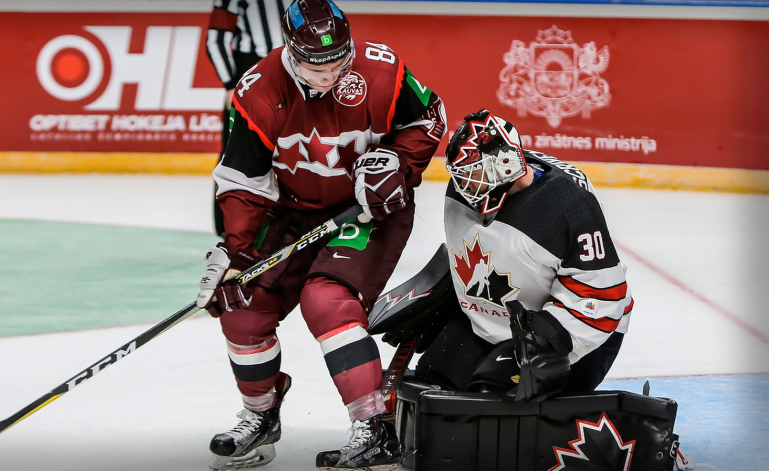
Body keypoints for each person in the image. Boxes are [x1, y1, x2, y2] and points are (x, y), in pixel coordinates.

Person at [197, 1, 447, 470]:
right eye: (318, 65)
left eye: (338, 62)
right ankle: (260, 416)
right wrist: (234, 250)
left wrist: (397, 162)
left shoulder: (380, 68)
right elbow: (245, 182)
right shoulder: (257, 90)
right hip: (289, 211)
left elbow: (428, 117)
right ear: (292, 53)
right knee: (242, 308)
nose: (331, 74)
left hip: (367, 212)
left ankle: (374, 429)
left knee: (327, 301)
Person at [415, 110, 632, 402]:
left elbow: (605, 297)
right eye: (462, 174)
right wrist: (446, 296)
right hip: (496, 323)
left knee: (492, 406)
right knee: (429, 384)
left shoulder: (568, 206)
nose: (466, 185)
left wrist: (550, 343)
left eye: (475, 174)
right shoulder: (464, 190)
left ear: (505, 165)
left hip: (576, 332)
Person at [205, 0, 294, 236]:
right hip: (252, 68)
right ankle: (229, 227)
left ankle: (286, 220)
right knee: (236, 150)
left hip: (296, 68)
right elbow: (216, 39)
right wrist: (229, 84)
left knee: (296, 144)